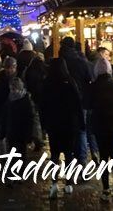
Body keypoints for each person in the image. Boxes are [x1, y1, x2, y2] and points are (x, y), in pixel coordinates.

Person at [40, 58, 84, 199]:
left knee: (54, 155)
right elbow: (78, 103)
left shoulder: (47, 83)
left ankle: (53, 184)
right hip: (69, 123)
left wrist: (44, 124)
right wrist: (81, 123)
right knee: (69, 154)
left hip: (53, 124)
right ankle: (69, 183)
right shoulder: (69, 81)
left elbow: (43, 106)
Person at [90, 57, 113, 201]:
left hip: (100, 124)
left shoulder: (93, 86)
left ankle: (106, 188)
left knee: (103, 155)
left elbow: (88, 104)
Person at [59, 36, 99, 163]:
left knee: (69, 128)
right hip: (81, 99)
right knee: (82, 129)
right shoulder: (81, 60)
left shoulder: (61, 60)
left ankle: (71, 157)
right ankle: (82, 160)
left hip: (65, 100)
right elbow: (90, 78)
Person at [0, 77, 36, 163]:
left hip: (21, 134)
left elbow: (30, 120)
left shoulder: (26, 101)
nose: (13, 91)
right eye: (12, 89)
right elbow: (4, 117)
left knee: (21, 155)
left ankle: (20, 171)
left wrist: (30, 137)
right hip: (11, 133)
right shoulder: (9, 100)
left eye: (15, 89)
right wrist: (2, 132)